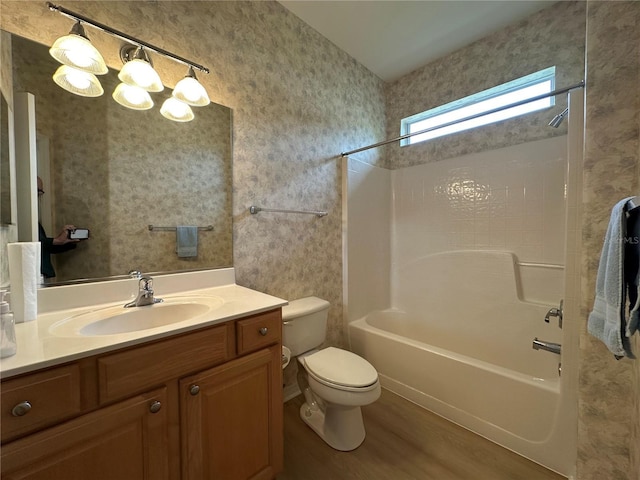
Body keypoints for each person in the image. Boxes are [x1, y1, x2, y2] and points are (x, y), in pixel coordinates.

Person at [37, 177, 82, 279]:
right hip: (33, 274)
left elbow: (45, 247)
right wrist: (57, 240)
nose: (39, 196)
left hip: (41, 275)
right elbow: (34, 244)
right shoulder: (24, 219)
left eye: (40, 192)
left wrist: (67, 241)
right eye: (38, 191)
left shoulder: (33, 220)